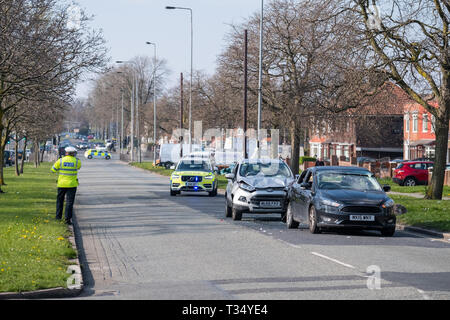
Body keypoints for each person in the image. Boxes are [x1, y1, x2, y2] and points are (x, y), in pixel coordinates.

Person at [51, 146, 81, 225]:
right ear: (73, 153)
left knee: (60, 201)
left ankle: (58, 217)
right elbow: (79, 167)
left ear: (66, 153)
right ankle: (67, 220)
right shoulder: (77, 161)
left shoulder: (60, 161)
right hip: (72, 184)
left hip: (61, 184)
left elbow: (53, 170)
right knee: (69, 202)